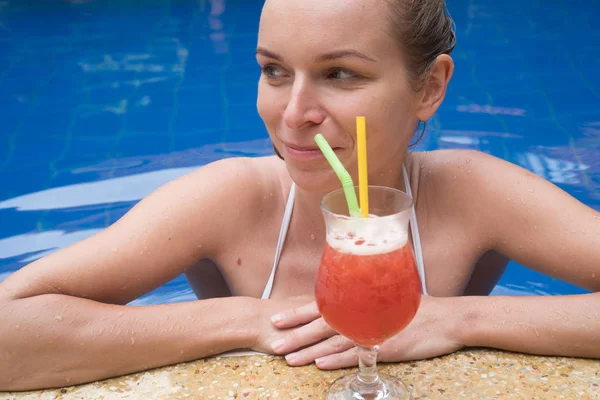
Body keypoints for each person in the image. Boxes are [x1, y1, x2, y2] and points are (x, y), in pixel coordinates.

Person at [1, 0, 599, 392]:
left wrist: (461, 318)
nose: (292, 115)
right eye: (275, 70)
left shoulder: (474, 192)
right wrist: (245, 320)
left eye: (341, 74)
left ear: (431, 86)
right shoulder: (227, 198)